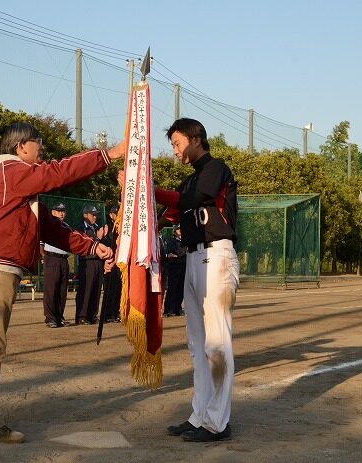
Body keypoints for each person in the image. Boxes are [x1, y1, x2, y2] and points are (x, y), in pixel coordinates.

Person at [0, 122, 124, 444]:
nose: (42, 148)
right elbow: (58, 172)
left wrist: (92, 246)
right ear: (21, 147)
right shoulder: (12, 171)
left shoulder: (20, 184)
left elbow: (51, 228)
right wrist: (109, 154)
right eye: (38, 142)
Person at [153, 118, 239, 442]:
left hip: (216, 256)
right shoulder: (189, 181)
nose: (175, 151)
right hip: (192, 258)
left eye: (177, 143)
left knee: (216, 343)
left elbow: (192, 199)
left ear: (195, 138)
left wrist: (152, 187)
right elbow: (169, 213)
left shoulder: (216, 169)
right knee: (197, 344)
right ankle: (200, 414)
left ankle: (218, 422)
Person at [41, 202, 70, 328]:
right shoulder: (48, 226)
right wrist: (44, 256)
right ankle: (50, 318)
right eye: (58, 211)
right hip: (52, 258)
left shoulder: (66, 226)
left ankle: (59, 316)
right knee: (51, 290)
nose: (61, 213)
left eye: (63, 211)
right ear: (53, 212)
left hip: (64, 259)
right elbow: (40, 244)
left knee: (62, 291)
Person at [74, 204, 105, 325]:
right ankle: (81, 315)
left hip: (98, 261)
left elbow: (105, 243)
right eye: (93, 215)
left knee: (96, 289)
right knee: (85, 289)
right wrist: (97, 238)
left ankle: (92, 315)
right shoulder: (80, 229)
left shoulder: (97, 227)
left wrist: (102, 237)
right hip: (86, 262)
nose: (95, 217)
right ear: (85, 215)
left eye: (96, 215)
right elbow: (83, 245)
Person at [100, 204, 122, 323]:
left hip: (119, 262)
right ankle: (107, 314)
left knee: (118, 288)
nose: (117, 215)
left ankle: (115, 312)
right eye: (115, 213)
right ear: (111, 215)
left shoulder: (123, 228)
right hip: (110, 261)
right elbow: (106, 243)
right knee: (109, 289)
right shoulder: (108, 228)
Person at [163, 225, 186, 317]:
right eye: (178, 229)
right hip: (174, 266)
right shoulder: (172, 241)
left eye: (181, 229)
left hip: (184, 265)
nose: (180, 231)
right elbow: (170, 253)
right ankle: (169, 309)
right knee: (173, 287)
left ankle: (177, 308)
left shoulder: (185, 241)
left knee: (181, 288)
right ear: (175, 231)